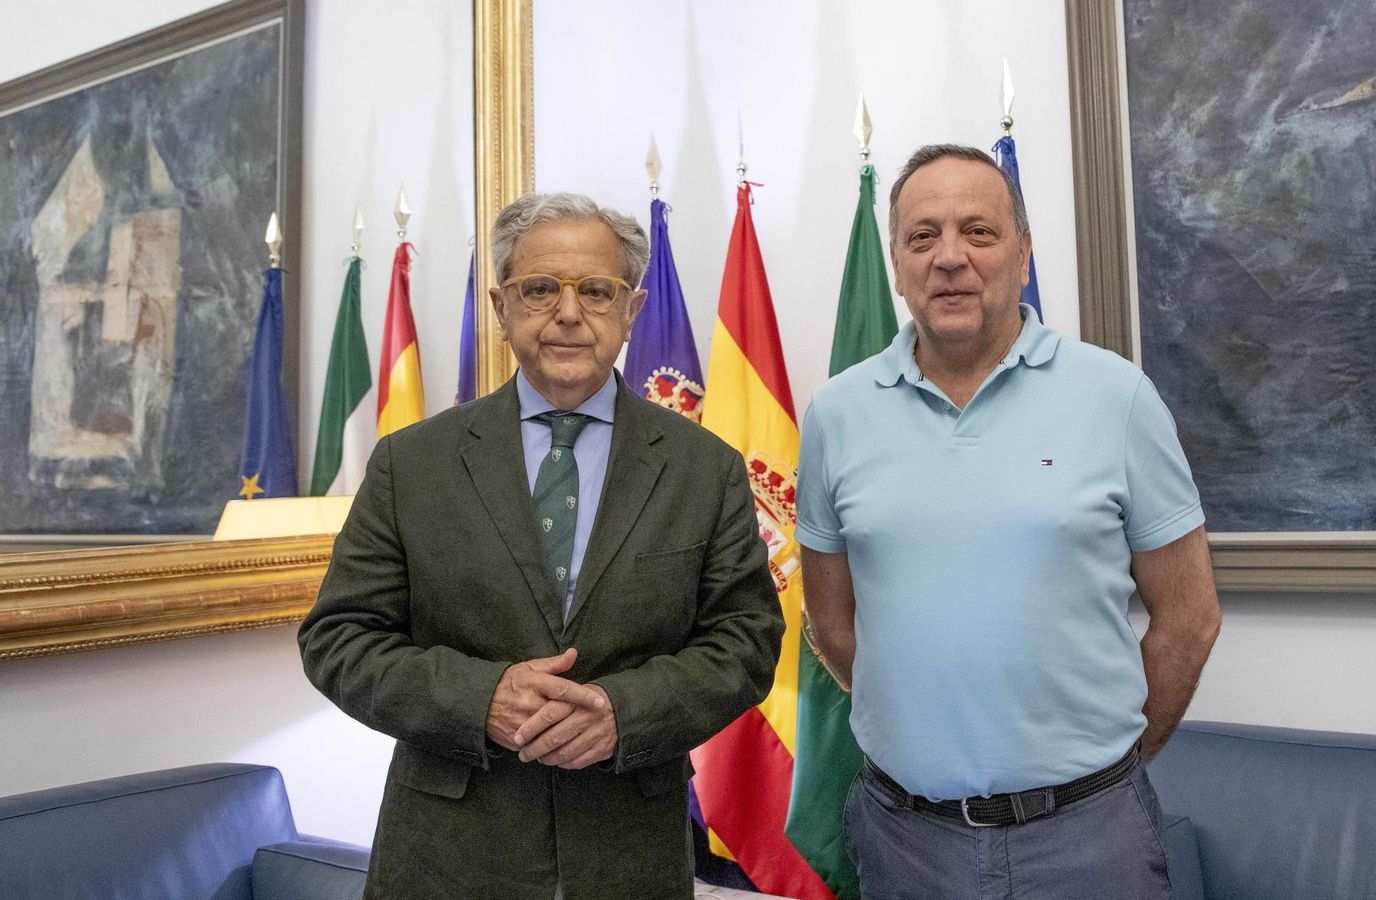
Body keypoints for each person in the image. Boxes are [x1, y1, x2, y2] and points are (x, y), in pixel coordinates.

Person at [299, 192, 784, 900]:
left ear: (632, 310)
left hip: (628, 855)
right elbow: (338, 639)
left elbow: (746, 642)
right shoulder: (413, 464)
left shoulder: (702, 468)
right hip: (447, 856)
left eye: (595, 290)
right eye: (539, 288)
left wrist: (626, 711)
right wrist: (482, 698)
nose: (567, 312)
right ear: (501, 307)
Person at [797, 144, 1222, 899]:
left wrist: (1099, 771)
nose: (949, 258)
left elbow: (1187, 616)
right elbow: (831, 623)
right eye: (922, 236)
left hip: (1087, 840)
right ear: (895, 263)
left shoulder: (1116, 396)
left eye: (979, 233)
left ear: (1023, 255)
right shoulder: (836, 415)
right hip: (905, 840)